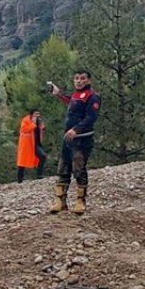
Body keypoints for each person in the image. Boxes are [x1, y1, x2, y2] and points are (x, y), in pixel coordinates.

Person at [51, 71, 100, 215]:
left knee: (79, 169)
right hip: (68, 138)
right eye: (76, 78)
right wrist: (58, 94)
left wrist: (76, 129)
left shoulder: (93, 96)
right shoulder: (75, 95)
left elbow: (92, 116)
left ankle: (80, 201)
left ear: (88, 80)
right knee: (63, 168)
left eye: (82, 78)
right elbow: (70, 101)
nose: (79, 81)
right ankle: (60, 201)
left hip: (82, 138)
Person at [16, 109, 46, 183]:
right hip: (26, 144)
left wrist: (41, 127)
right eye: (36, 114)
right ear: (31, 114)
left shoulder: (39, 121)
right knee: (22, 161)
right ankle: (20, 178)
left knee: (43, 156)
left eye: (38, 114)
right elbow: (24, 129)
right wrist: (33, 123)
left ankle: (39, 175)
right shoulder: (25, 120)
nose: (37, 116)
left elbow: (42, 128)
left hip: (36, 143)